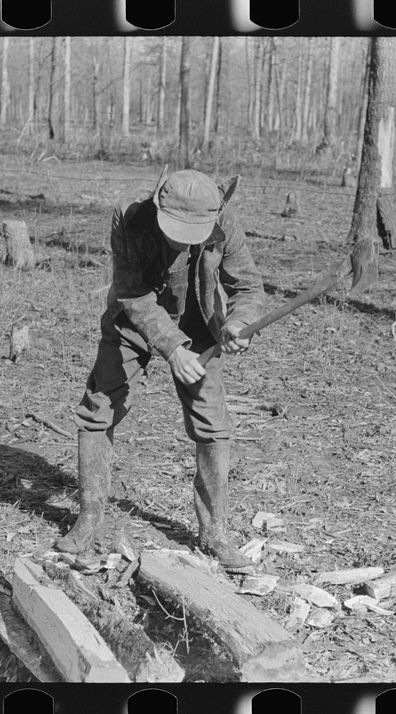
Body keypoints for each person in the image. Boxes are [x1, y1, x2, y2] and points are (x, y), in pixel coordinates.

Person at [54, 168, 265, 572]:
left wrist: (238, 322)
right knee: (98, 410)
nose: (182, 240)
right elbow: (131, 291)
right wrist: (172, 348)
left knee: (213, 424)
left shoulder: (224, 220)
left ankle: (215, 533)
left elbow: (248, 287)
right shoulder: (130, 215)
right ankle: (89, 518)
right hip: (135, 319)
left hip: (200, 324)